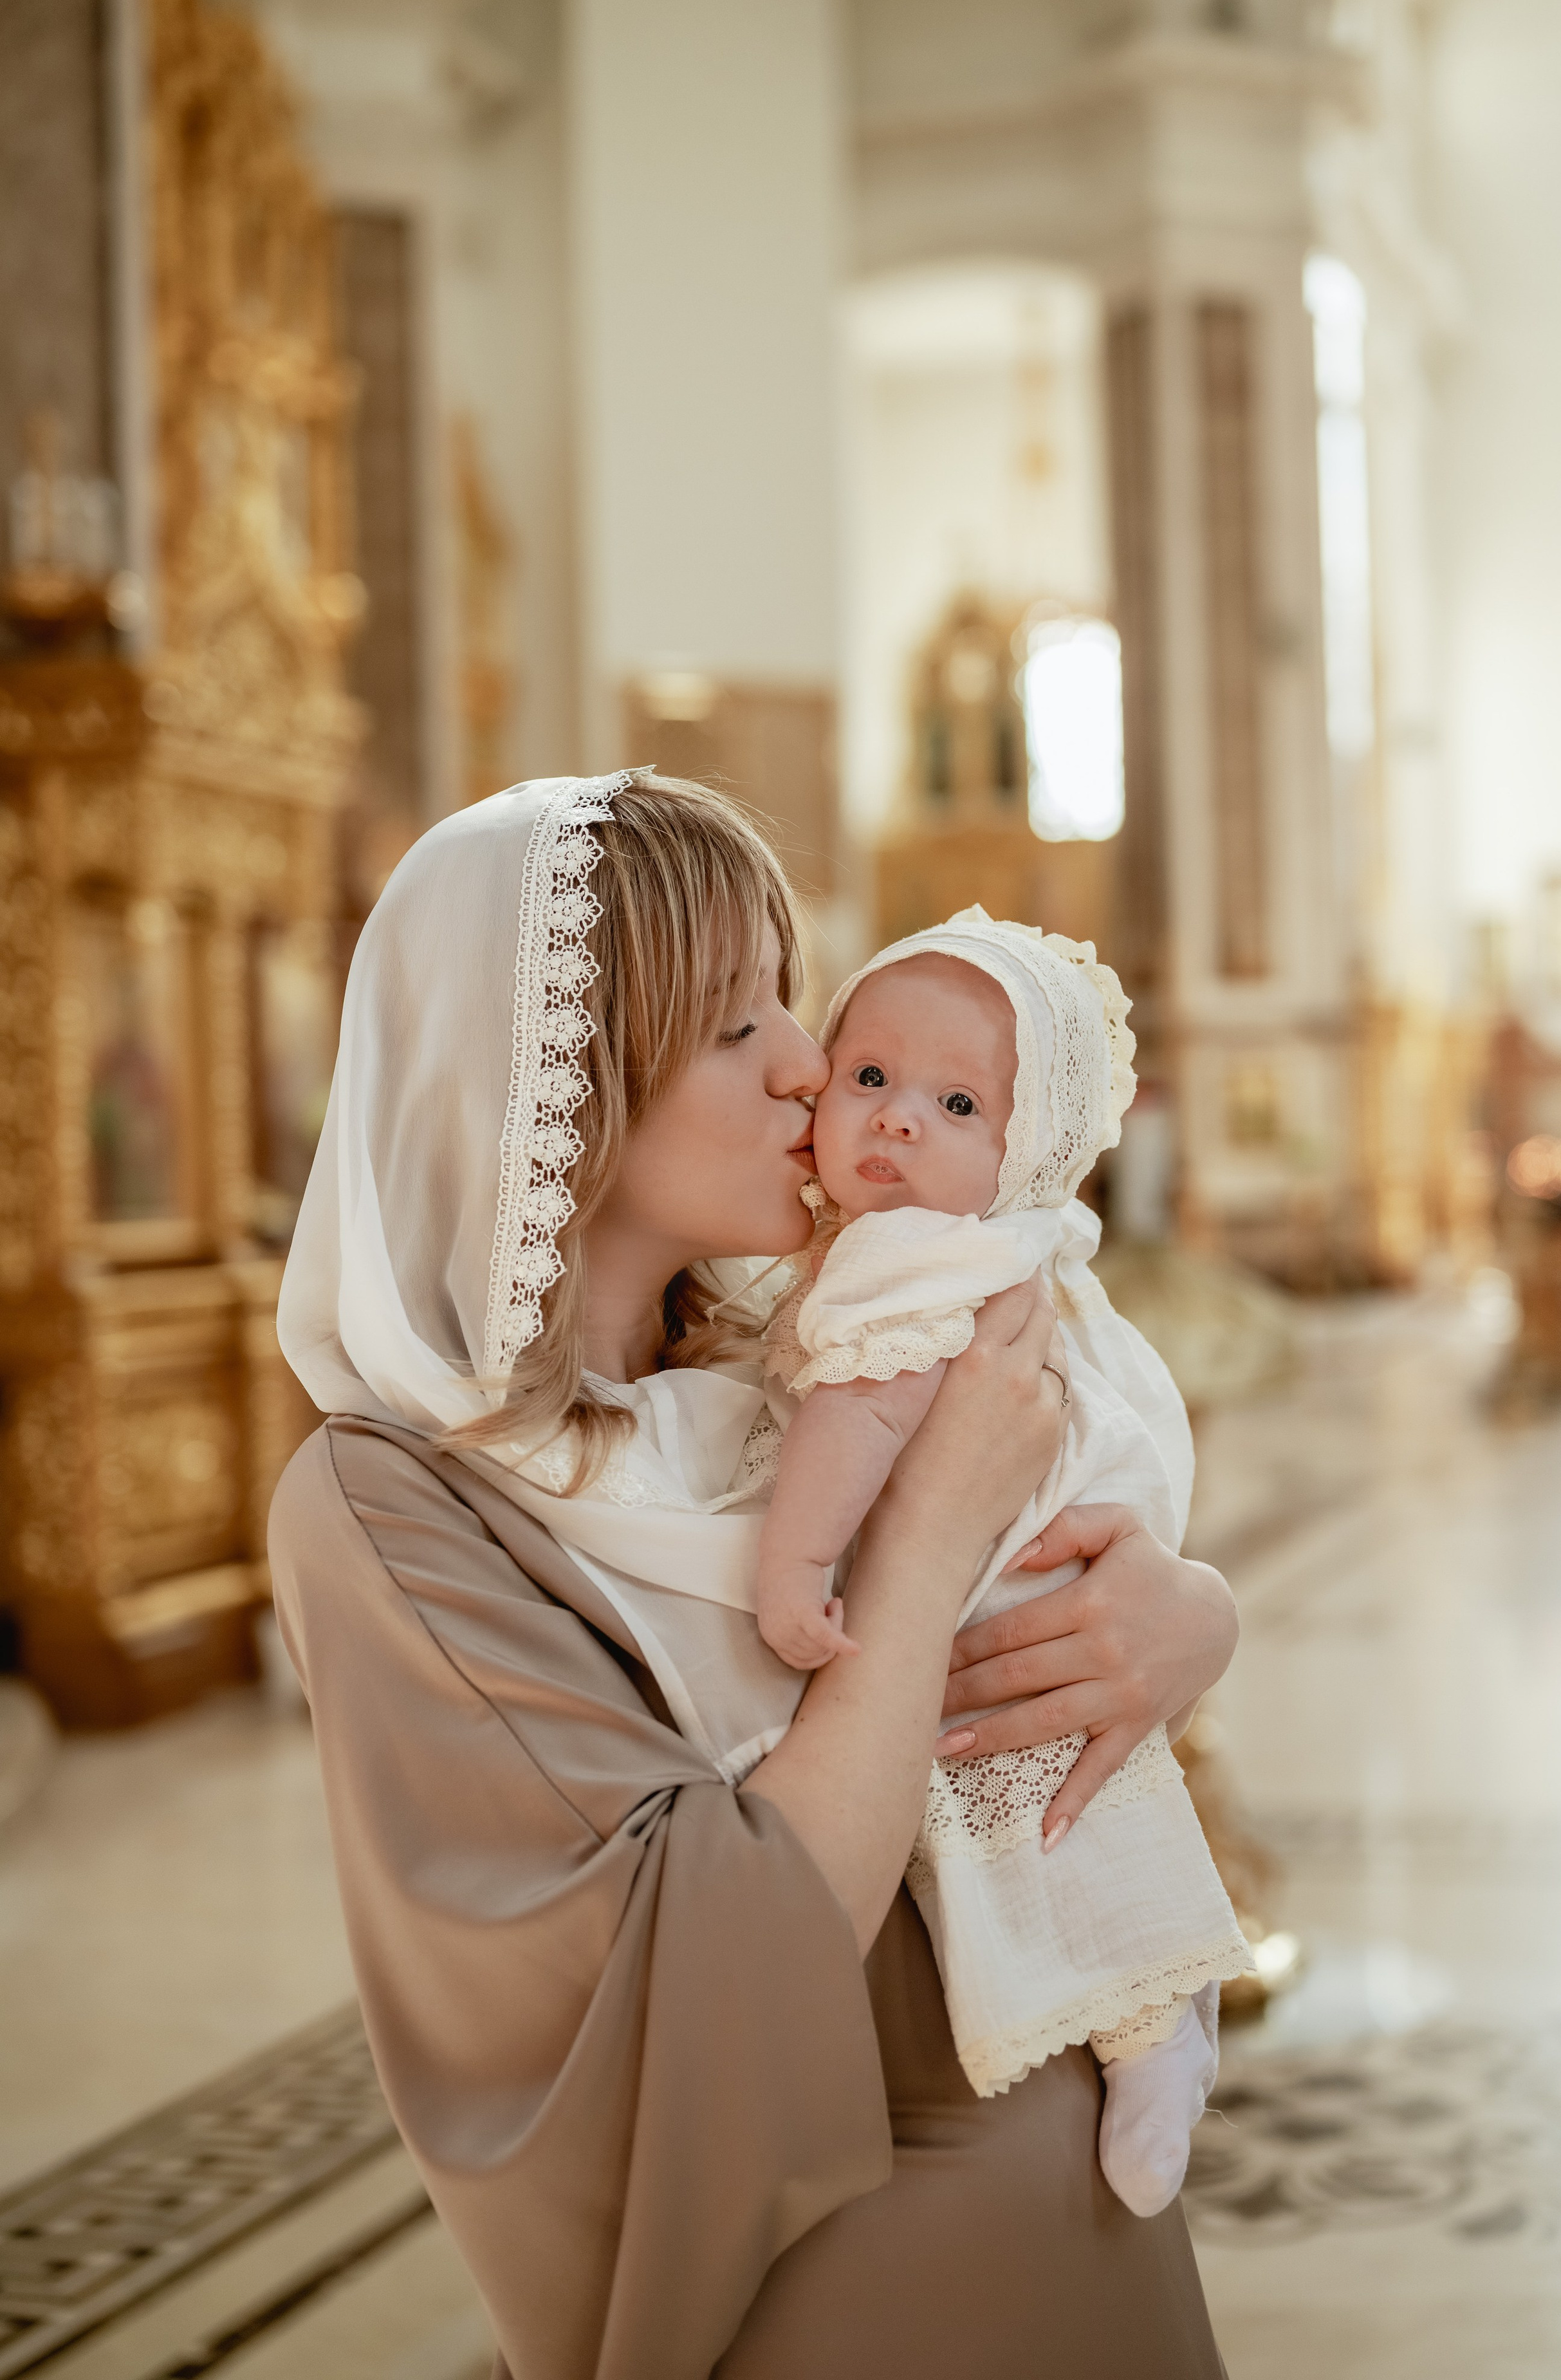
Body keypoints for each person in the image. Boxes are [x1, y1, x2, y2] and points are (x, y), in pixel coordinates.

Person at [270, 769, 1240, 2380]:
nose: (809, 1066)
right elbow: (730, 1958)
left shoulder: (786, 1363)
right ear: (558, 1092)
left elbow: (1059, 1568)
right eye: (737, 1026)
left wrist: (1187, 1611)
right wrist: (924, 1542)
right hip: (840, 2293)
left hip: (1087, 2235)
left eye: (786, 999)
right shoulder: (390, 1503)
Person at [751, 909, 1252, 2211]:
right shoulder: (970, 1249)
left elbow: (854, 1415)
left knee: (1036, 1820)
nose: (893, 1120)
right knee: (1071, 1812)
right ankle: (1161, 2017)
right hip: (1024, 1573)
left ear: (1025, 1150)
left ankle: (1153, 2027)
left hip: (1004, 1587)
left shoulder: (915, 1264)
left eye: (954, 1101)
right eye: (867, 1077)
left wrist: (794, 1564)